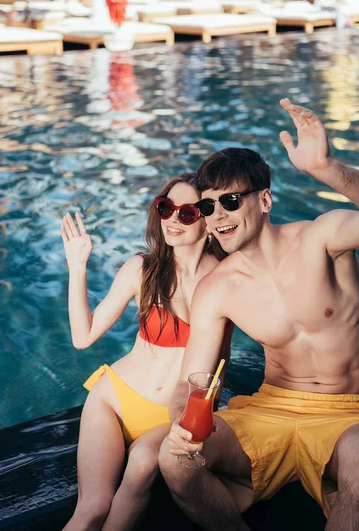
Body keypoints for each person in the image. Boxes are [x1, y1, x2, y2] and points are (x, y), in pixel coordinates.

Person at [159, 99, 359, 531]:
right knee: (174, 462)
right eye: (207, 208)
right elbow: (192, 384)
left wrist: (326, 168)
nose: (218, 216)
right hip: (268, 412)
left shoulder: (321, 238)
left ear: (264, 199)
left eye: (229, 201)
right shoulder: (216, 288)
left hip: (345, 411)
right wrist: (181, 427)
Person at [60, 173, 231, 531]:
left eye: (186, 213)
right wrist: (77, 267)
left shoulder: (228, 280)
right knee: (91, 508)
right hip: (114, 398)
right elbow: (83, 336)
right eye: (165, 209)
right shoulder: (142, 269)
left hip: (173, 415)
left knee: (140, 465)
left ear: (208, 219)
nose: (172, 220)